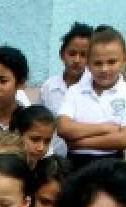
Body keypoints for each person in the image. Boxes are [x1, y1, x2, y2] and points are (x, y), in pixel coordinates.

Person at [56, 26, 126, 169]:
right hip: (76, 165)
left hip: (112, 164)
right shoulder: (75, 91)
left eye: (111, 62)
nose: (104, 69)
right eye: (97, 63)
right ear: (88, 64)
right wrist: (105, 128)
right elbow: (63, 128)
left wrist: (78, 143)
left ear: (124, 60)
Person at [42, 23, 93, 157]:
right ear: (61, 54)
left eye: (84, 55)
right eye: (72, 53)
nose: (77, 60)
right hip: (54, 158)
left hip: (83, 158)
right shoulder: (49, 87)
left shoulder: (95, 88)